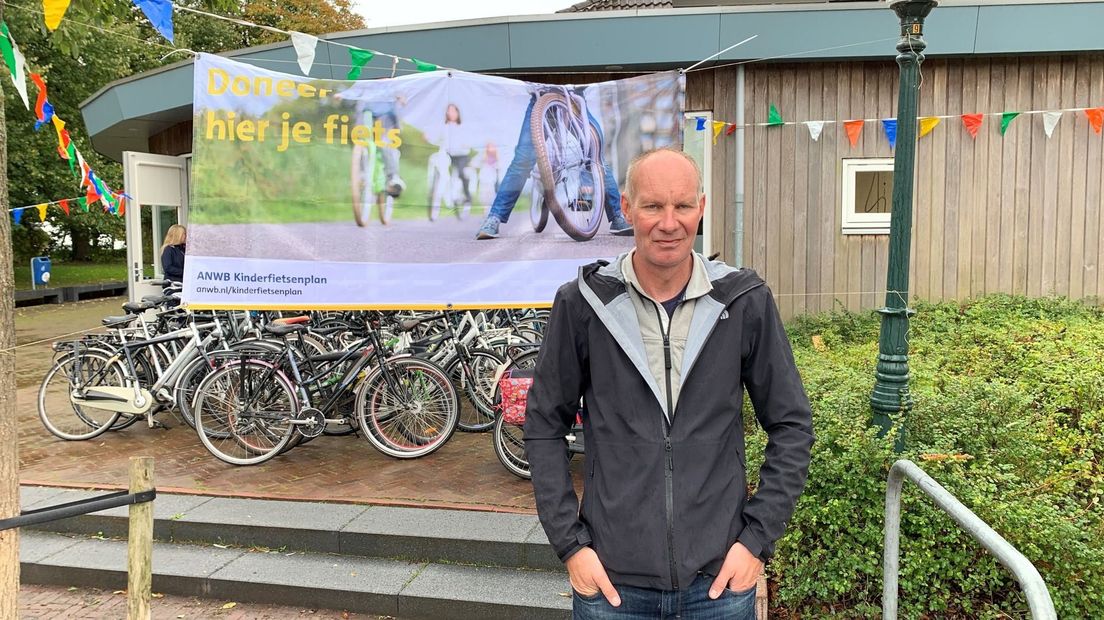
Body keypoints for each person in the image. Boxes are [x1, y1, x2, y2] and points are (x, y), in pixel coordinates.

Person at [525, 148, 815, 619]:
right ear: (626, 207)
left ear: (701, 208)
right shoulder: (583, 304)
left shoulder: (743, 302)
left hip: (719, 585)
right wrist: (572, 546)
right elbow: (542, 426)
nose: (668, 222)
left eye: (682, 206)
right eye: (653, 206)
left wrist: (756, 541)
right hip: (612, 587)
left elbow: (792, 425)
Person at [475, 85, 632, 239]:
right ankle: (494, 217)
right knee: (522, 160)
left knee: (594, 153)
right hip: (540, 97)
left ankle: (617, 215)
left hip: (573, 99)